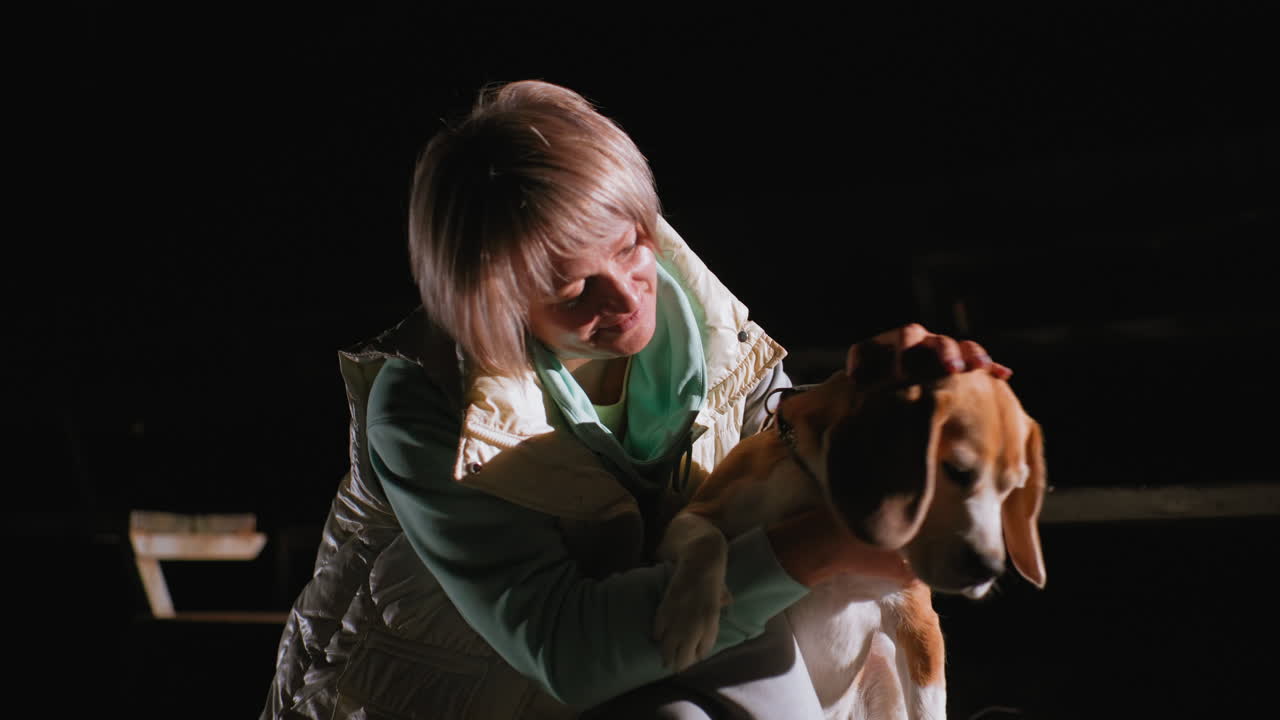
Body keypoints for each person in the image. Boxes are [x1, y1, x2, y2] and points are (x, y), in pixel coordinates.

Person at [260, 80, 1009, 720]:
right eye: (572, 287)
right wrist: (821, 546)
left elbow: (779, 455)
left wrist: (880, 405)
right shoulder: (422, 409)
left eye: (628, 246)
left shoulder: (704, 327)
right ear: (490, 300)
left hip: (648, 672)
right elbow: (568, 650)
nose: (626, 297)